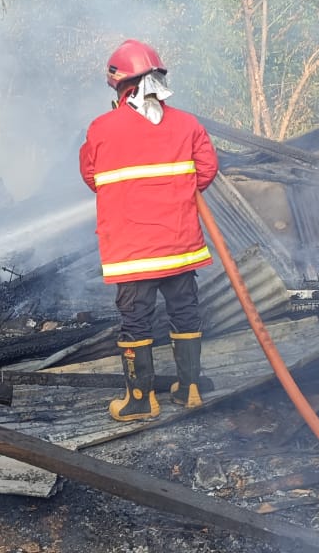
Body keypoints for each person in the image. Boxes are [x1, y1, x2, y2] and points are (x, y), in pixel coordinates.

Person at [80, 39, 219, 422]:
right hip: (180, 247)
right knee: (185, 313)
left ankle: (140, 399)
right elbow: (206, 171)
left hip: (133, 251)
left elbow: (92, 177)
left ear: (121, 87)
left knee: (136, 322)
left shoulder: (101, 128)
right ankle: (190, 389)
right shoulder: (188, 124)